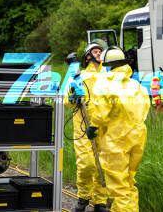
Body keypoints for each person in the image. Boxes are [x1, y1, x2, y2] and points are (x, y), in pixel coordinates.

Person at [86, 46, 150, 212]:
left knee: (118, 186)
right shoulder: (137, 86)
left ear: (108, 65)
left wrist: (93, 127)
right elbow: (145, 109)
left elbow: (101, 114)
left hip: (116, 140)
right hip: (137, 138)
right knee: (129, 182)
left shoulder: (104, 84)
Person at [65, 42, 109, 212]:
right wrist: (73, 98)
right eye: (95, 51)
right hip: (83, 126)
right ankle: (83, 197)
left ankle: (100, 202)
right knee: (87, 164)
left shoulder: (108, 74)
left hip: (103, 127)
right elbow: (67, 98)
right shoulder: (79, 76)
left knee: (102, 164)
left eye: (100, 51)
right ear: (88, 56)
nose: (98, 54)